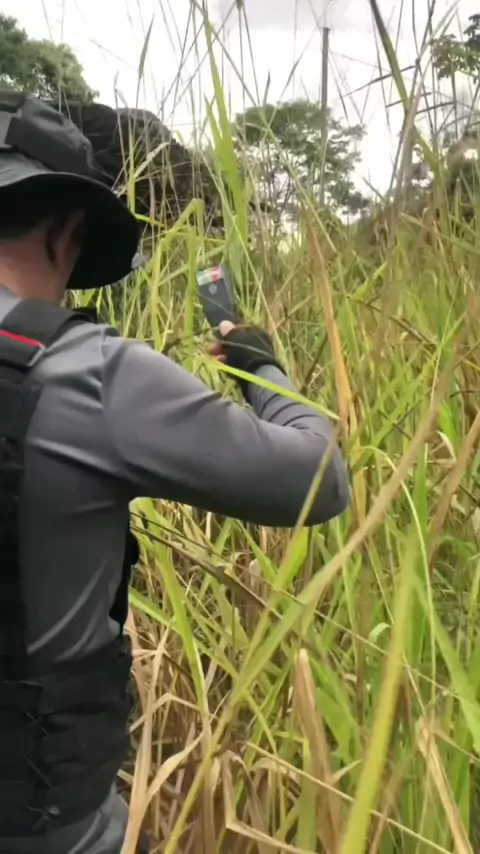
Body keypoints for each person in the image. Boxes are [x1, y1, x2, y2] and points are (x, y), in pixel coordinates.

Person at [0, 91, 349, 854]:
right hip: (42, 820)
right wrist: (260, 366)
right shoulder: (89, 372)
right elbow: (319, 479)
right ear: (68, 232)